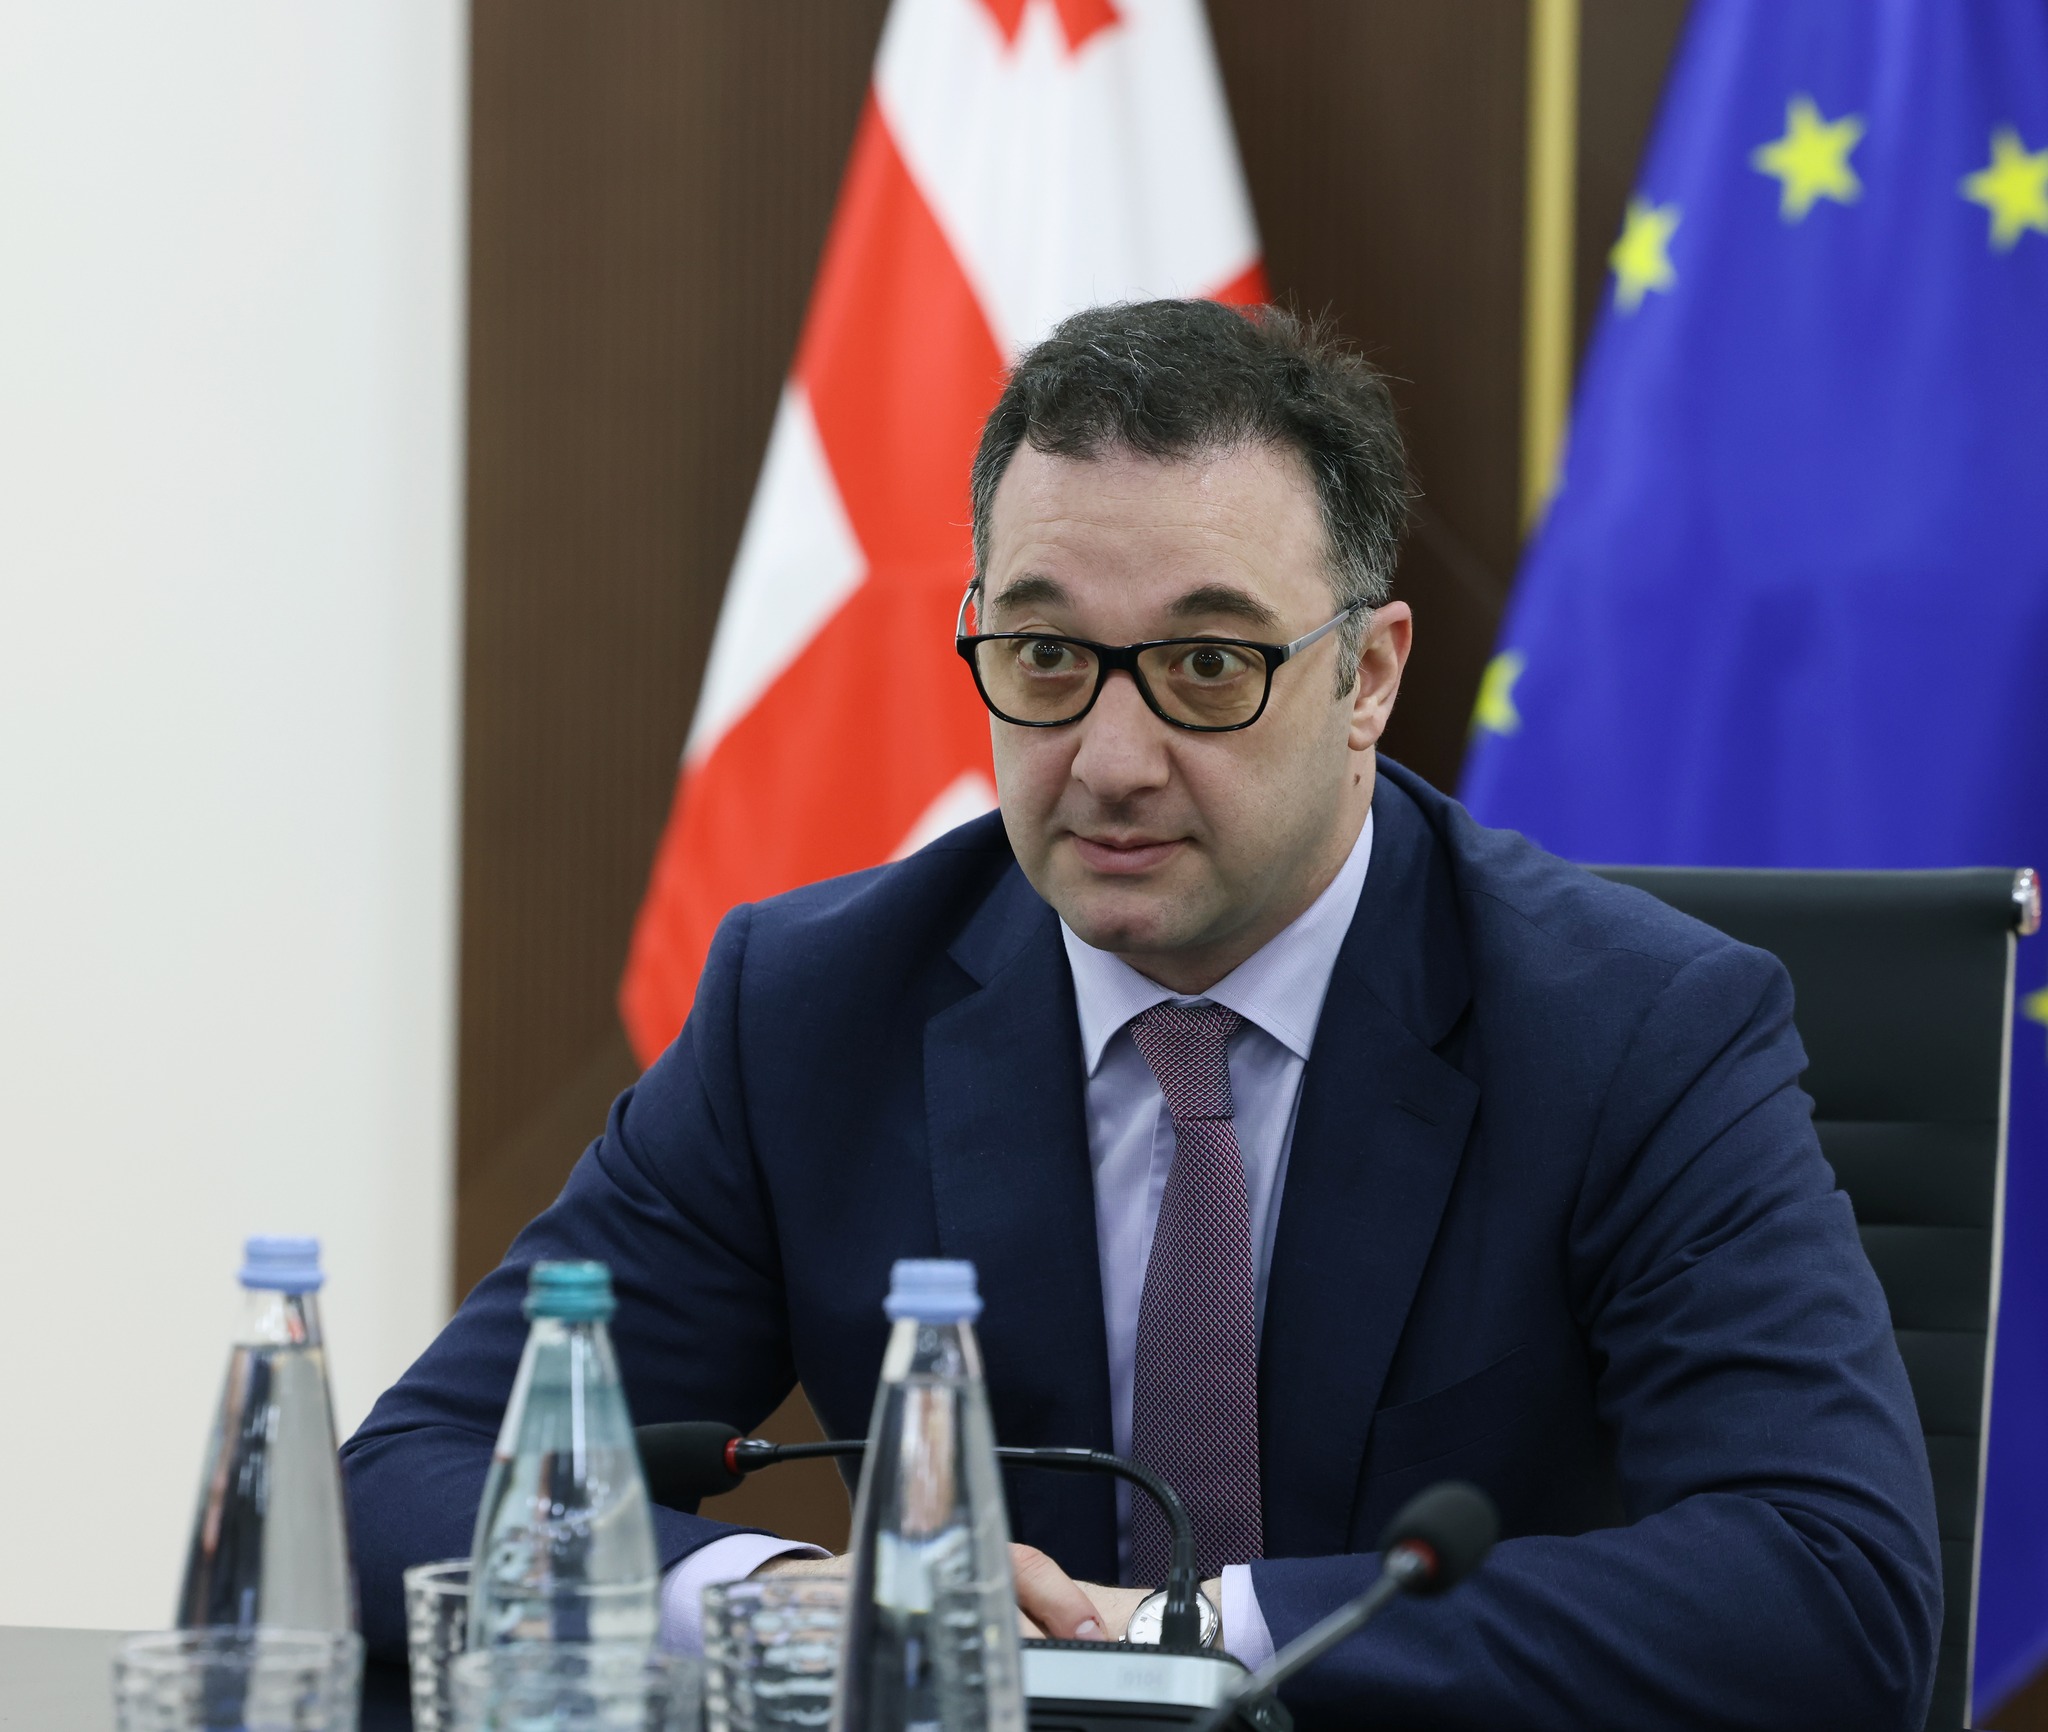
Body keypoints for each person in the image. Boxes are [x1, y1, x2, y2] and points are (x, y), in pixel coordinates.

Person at [343, 299, 1940, 1728]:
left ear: (1368, 677)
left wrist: (1196, 1637)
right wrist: (768, 1598)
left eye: (1207, 665)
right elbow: (402, 1487)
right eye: (1046, 656)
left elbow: (1832, 1585)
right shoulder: (815, 1010)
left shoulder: (1632, 1031)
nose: (1108, 761)